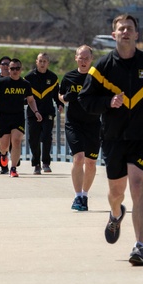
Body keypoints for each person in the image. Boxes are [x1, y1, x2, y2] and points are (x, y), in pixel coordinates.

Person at [78, 14, 143, 266]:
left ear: (137, 34)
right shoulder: (103, 67)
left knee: (138, 186)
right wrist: (108, 102)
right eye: (121, 29)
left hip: (142, 136)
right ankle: (115, 214)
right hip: (113, 137)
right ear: (114, 35)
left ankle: (140, 246)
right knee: (116, 193)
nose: (126, 32)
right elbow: (85, 100)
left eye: (130, 29)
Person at [58, 45, 100, 211]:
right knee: (79, 158)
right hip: (74, 123)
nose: (83, 61)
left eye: (86, 58)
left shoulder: (96, 78)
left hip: (93, 124)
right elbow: (60, 95)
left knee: (90, 162)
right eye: (80, 58)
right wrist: (64, 98)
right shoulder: (69, 77)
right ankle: (77, 197)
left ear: (91, 59)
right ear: (76, 58)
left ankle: (85, 195)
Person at [0, 58, 42, 178]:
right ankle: (3, 154)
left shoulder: (25, 84)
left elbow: (30, 100)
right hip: (3, 117)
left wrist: (36, 111)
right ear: (9, 69)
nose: (15, 71)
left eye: (17, 68)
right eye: (12, 68)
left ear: (21, 69)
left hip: (17, 116)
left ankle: (13, 168)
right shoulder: (2, 82)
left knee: (17, 141)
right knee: (3, 145)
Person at [24, 52, 63, 174]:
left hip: (48, 112)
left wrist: (60, 104)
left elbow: (57, 95)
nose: (42, 63)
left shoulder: (53, 78)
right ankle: (36, 163)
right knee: (33, 138)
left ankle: (46, 162)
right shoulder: (28, 78)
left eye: (44, 61)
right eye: (40, 61)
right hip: (33, 112)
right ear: (36, 62)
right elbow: (23, 96)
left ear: (48, 63)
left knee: (46, 136)